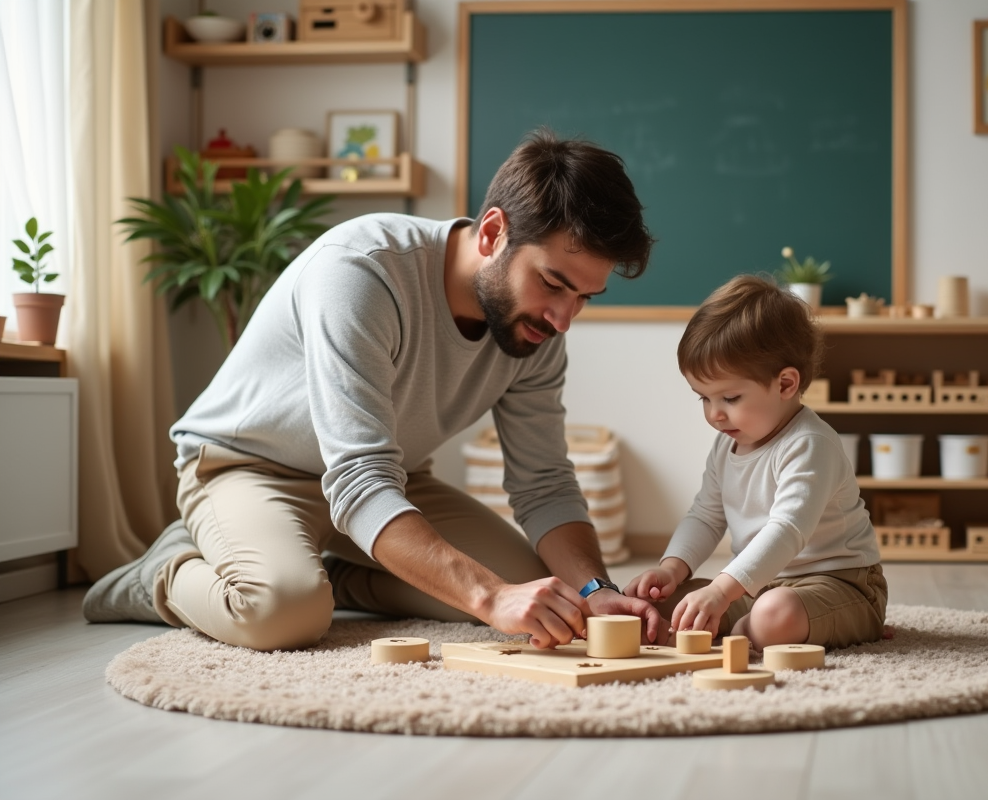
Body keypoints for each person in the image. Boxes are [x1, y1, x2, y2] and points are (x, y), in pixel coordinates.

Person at [84, 129, 662, 651]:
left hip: (390, 480)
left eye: (585, 297)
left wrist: (594, 588)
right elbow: (358, 479)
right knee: (283, 614)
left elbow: (543, 483)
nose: (565, 319)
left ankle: (317, 572)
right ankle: (163, 571)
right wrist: (488, 598)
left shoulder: (538, 328)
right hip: (251, 466)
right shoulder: (361, 272)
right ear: (492, 233)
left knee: (546, 594)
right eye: (554, 284)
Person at [623, 275, 888, 652]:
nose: (715, 414)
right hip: (756, 586)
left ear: (785, 385)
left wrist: (720, 590)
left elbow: (787, 530)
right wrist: (671, 568)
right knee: (657, 606)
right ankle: (737, 627)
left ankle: (749, 632)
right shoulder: (725, 445)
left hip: (839, 585)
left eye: (730, 397)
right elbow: (705, 515)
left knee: (773, 614)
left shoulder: (810, 444)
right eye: (703, 399)